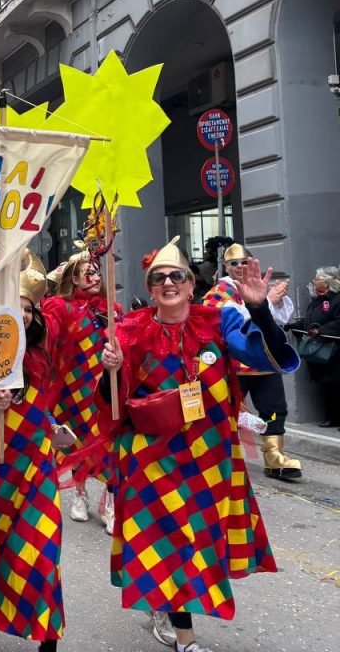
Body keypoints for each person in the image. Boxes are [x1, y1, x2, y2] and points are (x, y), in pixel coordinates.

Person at [99, 237, 294, 652]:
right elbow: (110, 402)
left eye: (177, 276)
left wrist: (259, 308)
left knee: (196, 540)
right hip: (151, 454)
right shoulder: (129, 329)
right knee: (166, 538)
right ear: (150, 288)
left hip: (208, 454)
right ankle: (186, 638)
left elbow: (269, 360)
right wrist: (111, 371)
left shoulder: (219, 322)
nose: (168, 282)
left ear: (191, 285)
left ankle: (169, 608)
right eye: (159, 278)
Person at [0, 268, 68, 652]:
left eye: (27, 309)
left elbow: (44, 403)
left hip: (38, 467)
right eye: (12, 307)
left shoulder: (42, 353)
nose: (21, 315)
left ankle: (47, 635)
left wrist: (54, 426)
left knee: (41, 551)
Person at [203, 243, 300, 479]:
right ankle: (216, 458)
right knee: (224, 410)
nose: (239, 267)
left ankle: (274, 455)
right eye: (234, 263)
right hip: (234, 364)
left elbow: (283, 319)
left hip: (264, 360)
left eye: (244, 262)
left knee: (275, 408)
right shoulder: (218, 292)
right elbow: (226, 319)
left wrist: (275, 301)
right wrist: (262, 302)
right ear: (226, 266)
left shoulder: (258, 284)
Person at [42, 250, 120, 532]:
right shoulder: (60, 308)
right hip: (72, 391)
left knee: (109, 445)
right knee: (79, 443)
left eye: (98, 271)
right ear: (74, 277)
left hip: (104, 389)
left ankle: (111, 503)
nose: (96, 276)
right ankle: (80, 493)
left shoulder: (112, 311)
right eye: (89, 271)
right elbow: (46, 334)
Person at [293, 266, 340, 427]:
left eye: (317, 278)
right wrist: (293, 325)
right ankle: (332, 417)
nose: (314, 281)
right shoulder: (317, 299)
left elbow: (337, 322)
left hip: (334, 350)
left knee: (336, 385)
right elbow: (310, 320)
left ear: (327, 282)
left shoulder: (337, 299)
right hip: (321, 350)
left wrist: (321, 330)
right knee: (327, 386)